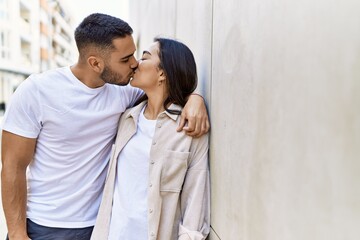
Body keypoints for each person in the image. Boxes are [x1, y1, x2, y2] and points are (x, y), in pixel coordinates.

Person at [1, 13, 209, 240]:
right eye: (125, 59)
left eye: (136, 55)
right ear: (95, 63)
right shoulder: (36, 91)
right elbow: (12, 166)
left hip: (99, 226)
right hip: (43, 225)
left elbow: (170, 86)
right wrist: (17, 233)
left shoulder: (125, 93)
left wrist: (195, 98)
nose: (134, 63)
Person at [91, 38, 210, 240]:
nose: (136, 63)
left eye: (145, 57)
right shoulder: (127, 118)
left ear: (162, 73)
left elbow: (196, 198)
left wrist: (196, 99)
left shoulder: (188, 128)